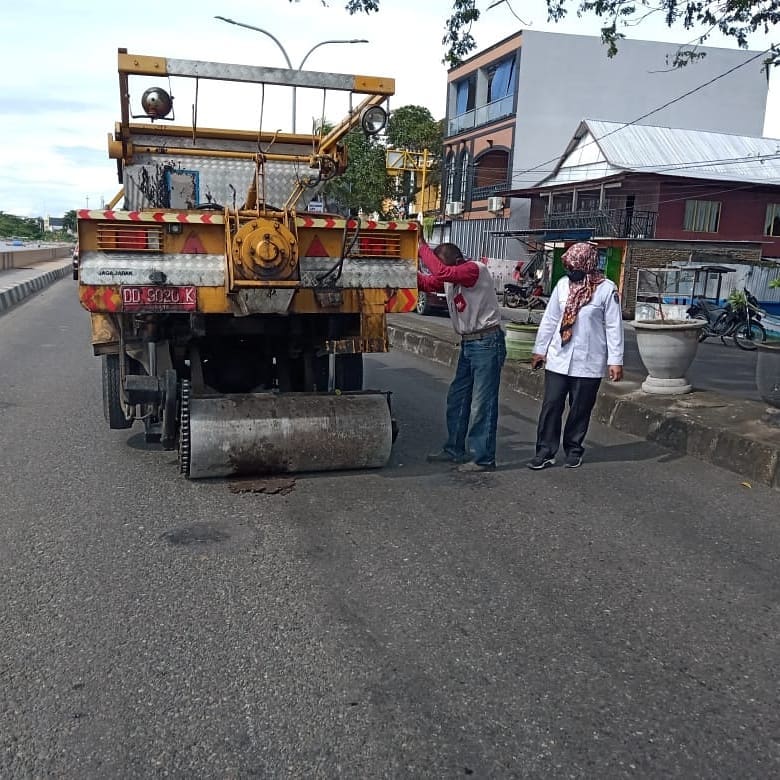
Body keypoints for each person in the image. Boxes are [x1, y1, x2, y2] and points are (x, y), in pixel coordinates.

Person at [528, 242, 624, 470]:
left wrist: (615, 360)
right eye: (568, 266)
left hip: (588, 360)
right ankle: (545, 451)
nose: (570, 271)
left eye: (574, 266)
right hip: (558, 357)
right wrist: (539, 349)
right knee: (551, 404)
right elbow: (551, 319)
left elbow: (614, 326)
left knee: (580, 408)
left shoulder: (606, 289)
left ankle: (573, 449)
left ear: (587, 264)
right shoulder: (562, 285)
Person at [418, 240, 506, 472]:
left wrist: (421, 246)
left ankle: (483, 458)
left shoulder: (474, 269)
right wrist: (402, 272)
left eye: (443, 265)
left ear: (457, 261)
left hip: (487, 342)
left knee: (481, 404)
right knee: (457, 398)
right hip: (469, 343)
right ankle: (454, 449)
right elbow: (428, 281)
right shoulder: (452, 278)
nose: (440, 270)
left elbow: (441, 272)